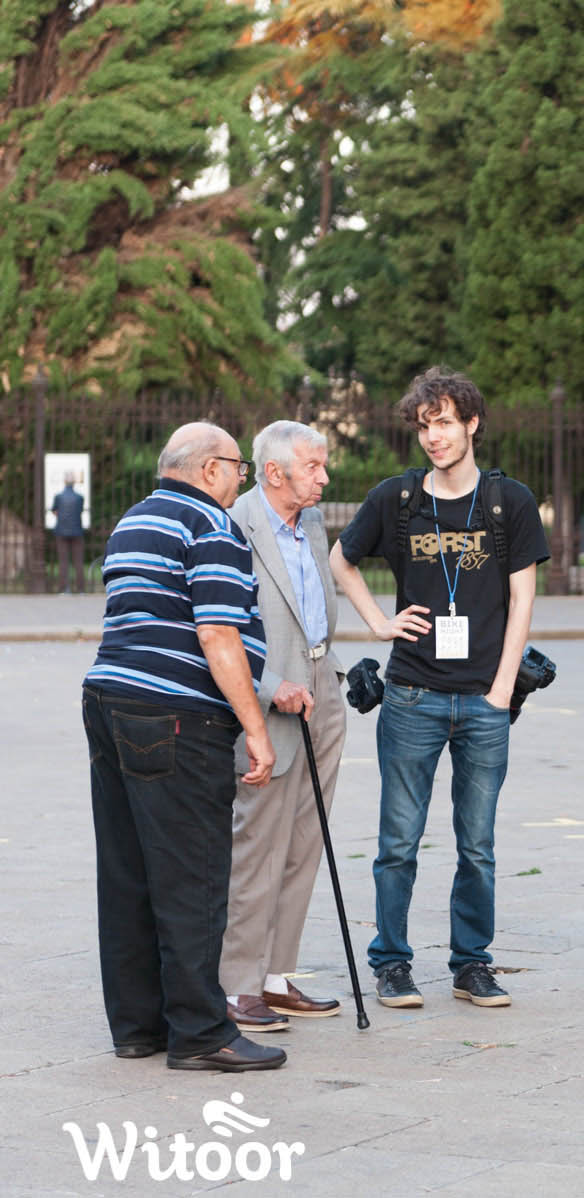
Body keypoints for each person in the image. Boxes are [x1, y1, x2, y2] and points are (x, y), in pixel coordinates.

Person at [331, 367, 549, 1010]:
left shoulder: (509, 502)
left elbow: (522, 600)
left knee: (477, 847)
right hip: (411, 697)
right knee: (398, 843)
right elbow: (341, 559)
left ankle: (471, 964)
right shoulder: (397, 500)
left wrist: (502, 690)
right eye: (425, 426)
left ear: (472, 423)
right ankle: (391, 963)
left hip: (485, 700)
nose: (434, 436)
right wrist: (378, 623)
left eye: (446, 422)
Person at [80, 422, 285, 1072]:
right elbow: (218, 634)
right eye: (238, 467)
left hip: (109, 700)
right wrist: (256, 727)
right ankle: (201, 1032)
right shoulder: (211, 525)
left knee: (128, 871)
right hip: (177, 715)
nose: (241, 479)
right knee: (192, 873)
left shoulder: (132, 521)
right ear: (209, 468)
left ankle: (138, 1026)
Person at [219, 421, 347, 1033]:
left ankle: (275, 977)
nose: (325, 477)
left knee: (303, 842)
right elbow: (216, 629)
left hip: (322, 688)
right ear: (274, 473)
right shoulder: (233, 524)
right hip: (268, 697)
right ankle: (236, 984)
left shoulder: (312, 521)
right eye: (313, 467)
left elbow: (317, 602)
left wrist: (329, 672)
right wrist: (272, 687)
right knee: (258, 843)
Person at [51, 471, 85, 593]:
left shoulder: (58, 497)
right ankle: (80, 589)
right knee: (78, 562)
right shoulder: (80, 497)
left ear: (65, 482)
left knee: (63, 562)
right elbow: (80, 511)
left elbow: (54, 511)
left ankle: (64, 588)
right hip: (77, 532)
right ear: (74, 482)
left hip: (61, 532)